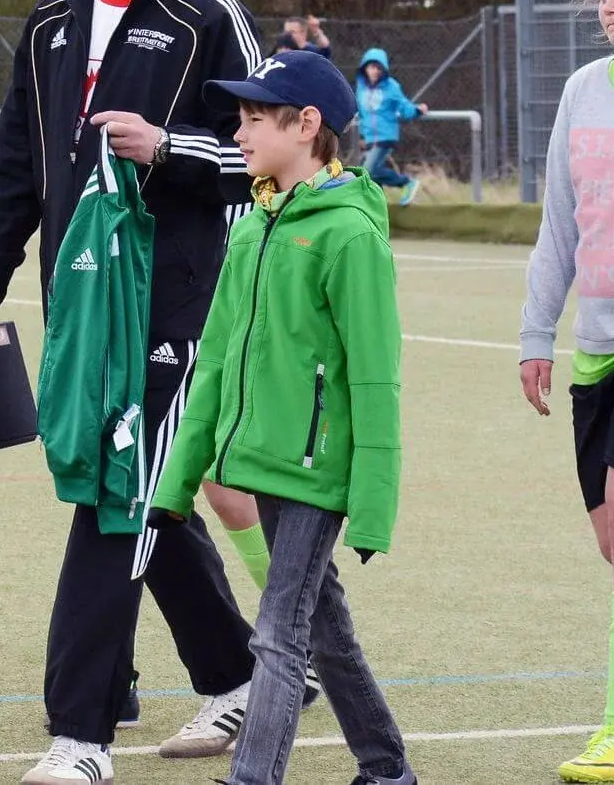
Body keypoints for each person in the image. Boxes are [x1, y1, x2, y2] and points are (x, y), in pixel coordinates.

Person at [0, 0, 264, 780]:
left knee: (113, 493)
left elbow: (266, 163)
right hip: (80, 305)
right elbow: (17, 166)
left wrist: (166, 147)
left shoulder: (207, 15)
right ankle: (240, 674)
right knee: (143, 489)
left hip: (176, 302)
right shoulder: (51, 18)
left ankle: (80, 736)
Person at [151, 49, 412, 785]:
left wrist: (372, 506)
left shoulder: (350, 235)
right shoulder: (250, 227)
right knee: (322, 627)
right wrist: (178, 480)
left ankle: (253, 776)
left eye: (254, 120)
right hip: (259, 458)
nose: (238, 134)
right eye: (238, 119)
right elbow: (215, 365)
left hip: (314, 468)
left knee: (277, 631)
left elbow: (376, 377)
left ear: (307, 126)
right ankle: (387, 768)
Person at [521, 0, 614, 780]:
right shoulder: (581, 90)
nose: (608, 8)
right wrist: (537, 334)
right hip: (593, 351)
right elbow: (559, 224)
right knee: (611, 540)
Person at [355, 48, 427, 206]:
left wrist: (417, 110)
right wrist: (361, 136)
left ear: (383, 70)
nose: (374, 71)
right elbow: (362, 114)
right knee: (367, 175)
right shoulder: (361, 88)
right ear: (365, 68)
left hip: (385, 136)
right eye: (371, 67)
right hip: (369, 138)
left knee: (368, 171)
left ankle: (407, 182)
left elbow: (404, 106)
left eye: (378, 68)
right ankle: (377, 205)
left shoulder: (391, 86)